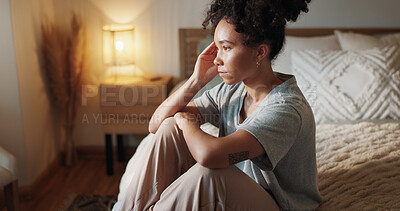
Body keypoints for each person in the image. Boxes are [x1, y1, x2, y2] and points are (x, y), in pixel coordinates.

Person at [113, 0, 322, 210]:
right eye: (217, 48)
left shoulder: (285, 109)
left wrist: (188, 124)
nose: (216, 60)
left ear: (259, 53)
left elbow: (210, 156)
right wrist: (196, 80)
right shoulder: (232, 91)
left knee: (209, 172)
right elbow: (156, 125)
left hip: (279, 204)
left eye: (226, 48)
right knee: (170, 128)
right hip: (241, 191)